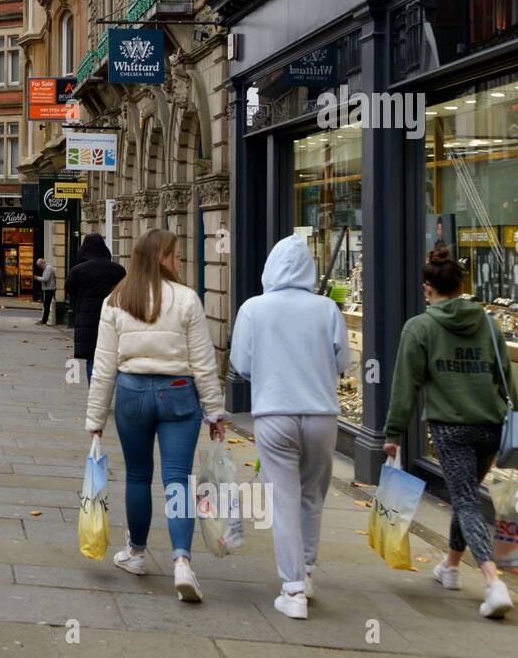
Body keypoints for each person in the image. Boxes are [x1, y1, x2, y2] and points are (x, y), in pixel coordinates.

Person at [86, 229, 224, 603]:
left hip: (132, 393)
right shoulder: (187, 300)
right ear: (162, 258)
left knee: (138, 476)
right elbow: (203, 363)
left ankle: (136, 553)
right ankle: (182, 560)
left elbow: (103, 366)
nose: (179, 262)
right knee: (178, 479)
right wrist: (214, 411)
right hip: (179, 393)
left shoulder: (116, 300)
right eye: (176, 256)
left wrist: (95, 418)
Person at [383, 248, 516, 620]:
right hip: (491, 423)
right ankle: (451, 566)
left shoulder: (420, 327)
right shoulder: (488, 323)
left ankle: (493, 582)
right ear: (460, 285)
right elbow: (504, 373)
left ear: (428, 288)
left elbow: (404, 386)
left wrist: (393, 431)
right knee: (466, 494)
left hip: (451, 427)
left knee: (467, 501)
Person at [229, 235, 350, 620]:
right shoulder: (327, 308)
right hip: (321, 415)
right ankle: (308, 573)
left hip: (274, 413)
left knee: (282, 500)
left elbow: (241, 365)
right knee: (311, 497)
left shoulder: (253, 309)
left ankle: (292, 588)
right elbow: (343, 361)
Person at [65, 233, 126, 381]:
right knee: (112, 356)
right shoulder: (118, 270)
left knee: (92, 358)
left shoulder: (78, 270)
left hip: (87, 320)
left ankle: (95, 391)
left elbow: (69, 289)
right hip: (113, 318)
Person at [34, 257, 57, 324]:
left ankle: (44, 320)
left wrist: (37, 278)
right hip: (48, 288)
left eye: (40, 265)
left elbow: (46, 279)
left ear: (42, 263)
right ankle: (44, 320)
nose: (39, 267)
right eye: (39, 266)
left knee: (46, 305)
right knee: (46, 305)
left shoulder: (48, 268)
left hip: (49, 289)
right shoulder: (46, 269)